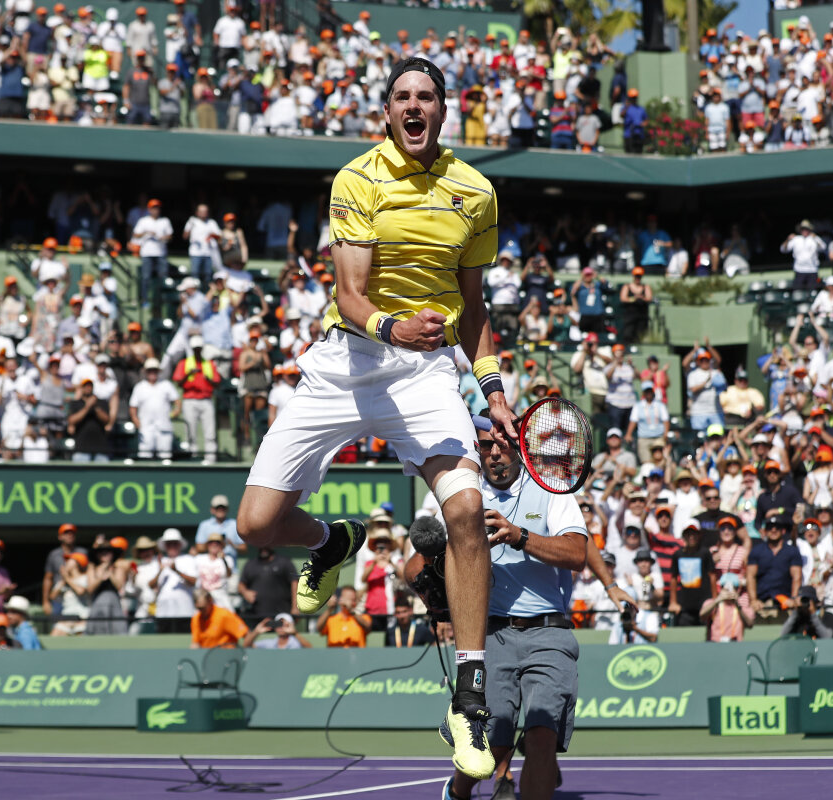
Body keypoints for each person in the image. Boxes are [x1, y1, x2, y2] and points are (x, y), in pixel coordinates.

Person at [236, 56, 511, 781]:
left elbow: (474, 310)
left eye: (426, 96)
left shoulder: (475, 192)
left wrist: (494, 391)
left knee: (467, 512)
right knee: (257, 526)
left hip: (426, 373)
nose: (414, 106)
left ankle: (470, 696)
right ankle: (333, 541)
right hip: (349, 360)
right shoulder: (359, 178)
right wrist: (395, 329)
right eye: (402, 97)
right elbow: (351, 292)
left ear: (443, 111)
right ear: (388, 112)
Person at [440, 419, 586, 800]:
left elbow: (577, 553)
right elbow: (414, 565)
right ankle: (457, 793)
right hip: (490, 636)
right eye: (485, 446)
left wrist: (519, 536)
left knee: (541, 735)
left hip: (548, 632)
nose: (494, 453)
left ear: (519, 447)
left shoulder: (551, 490)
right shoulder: (461, 495)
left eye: (501, 445)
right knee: (493, 746)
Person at [173, 335, 221, 463]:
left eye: (199, 349)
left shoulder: (209, 364)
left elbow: (217, 382)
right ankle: (192, 457)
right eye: (195, 349)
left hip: (206, 399)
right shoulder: (184, 363)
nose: (197, 351)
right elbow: (178, 382)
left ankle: (211, 459)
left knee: (210, 432)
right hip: (190, 400)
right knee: (190, 432)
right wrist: (189, 374)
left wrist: (208, 379)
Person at [746, 512, 802, 614]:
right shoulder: (756, 551)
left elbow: (797, 577)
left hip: (786, 600)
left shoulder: (792, 551)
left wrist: (794, 599)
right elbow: (750, 576)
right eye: (770, 527)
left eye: (777, 527)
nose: (773, 530)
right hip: (762, 601)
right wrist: (753, 600)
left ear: (783, 531)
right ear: (764, 531)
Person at [153, 528, 198, 633]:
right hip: (163, 612)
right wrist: (160, 570)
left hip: (184, 611)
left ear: (179, 545)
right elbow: (151, 585)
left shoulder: (189, 559)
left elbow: (193, 581)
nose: (172, 546)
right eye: (169, 544)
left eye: (175, 543)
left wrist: (176, 571)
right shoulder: (160, 561)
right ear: (165, 546)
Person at [238, 546, 299, 619]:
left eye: (266, 544)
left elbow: (295, 583)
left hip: (282, 615)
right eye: (261, 544)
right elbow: (241, 585)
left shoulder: (285, 562)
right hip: (256, 617)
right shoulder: (250, 564)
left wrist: (295, 607)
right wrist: (245, 592)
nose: (264, 547)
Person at [42, 523, 86, 616]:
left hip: (79, 597)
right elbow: (48, 578)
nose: (70, 535)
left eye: (72, 533)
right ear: (60, 537)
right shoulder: (54, 554)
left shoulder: (82, 552)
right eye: (66, 533)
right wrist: (45, 601)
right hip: (59, 598)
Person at [245, 612, 311, 649]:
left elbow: (310, 650)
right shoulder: (269, 643)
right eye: (278, 623)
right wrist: (256, 632)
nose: (281, 627)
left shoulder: (296, 643)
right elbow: (246, 646)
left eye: (284, 624)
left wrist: (295, 633)